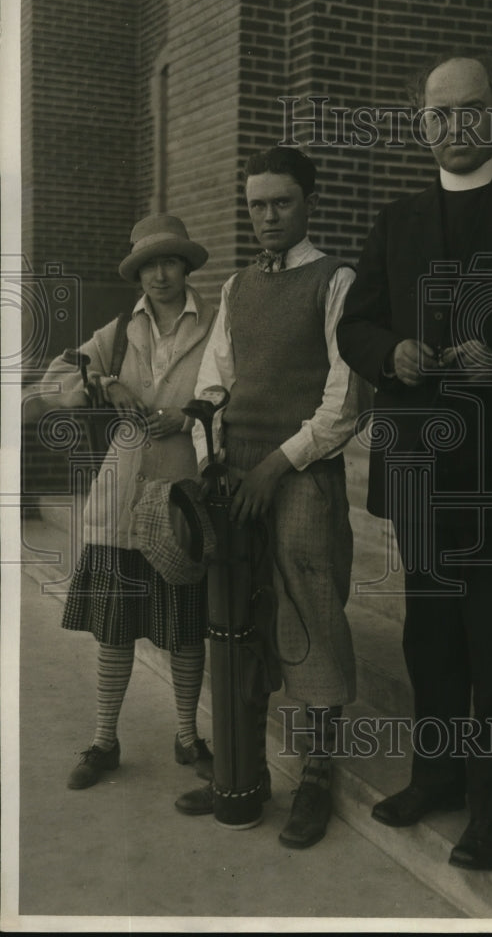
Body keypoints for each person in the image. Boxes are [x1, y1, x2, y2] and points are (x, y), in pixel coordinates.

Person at [336, 52, 492, 870]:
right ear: (421, 125)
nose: (454, 128)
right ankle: (435, 776)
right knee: (431, 637)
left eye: (470, 111)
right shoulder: (397, 221)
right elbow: (355, 325)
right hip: (421, 472)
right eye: (439, 116)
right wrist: (390, 352)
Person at [175, 147, 368, 849]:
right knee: (237, 619)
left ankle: (318, 773)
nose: (267, 216)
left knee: (308, 613)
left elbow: (345, 400)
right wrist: (213, 459)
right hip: (235, 477)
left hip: (301, 478)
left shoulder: (337, 280)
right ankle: (242, 768)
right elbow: (212, 384)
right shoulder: (236, 288)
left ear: (307, 202)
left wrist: (277, 467)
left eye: (280, 202)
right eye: (256, 204)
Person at [40, 214, 218, 790]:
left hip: (183, 498)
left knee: (187, 629)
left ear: (186, 266)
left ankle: (189, 736)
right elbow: (54, 377)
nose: (158, 275)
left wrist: (190, 414)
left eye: (168, 262)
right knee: (115, 627)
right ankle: (103, 740)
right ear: (137, 273)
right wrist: (103, 383)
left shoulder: (216, 327)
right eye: (147, 265)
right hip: (120, 500)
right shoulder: (118, 332)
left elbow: (230, 394)